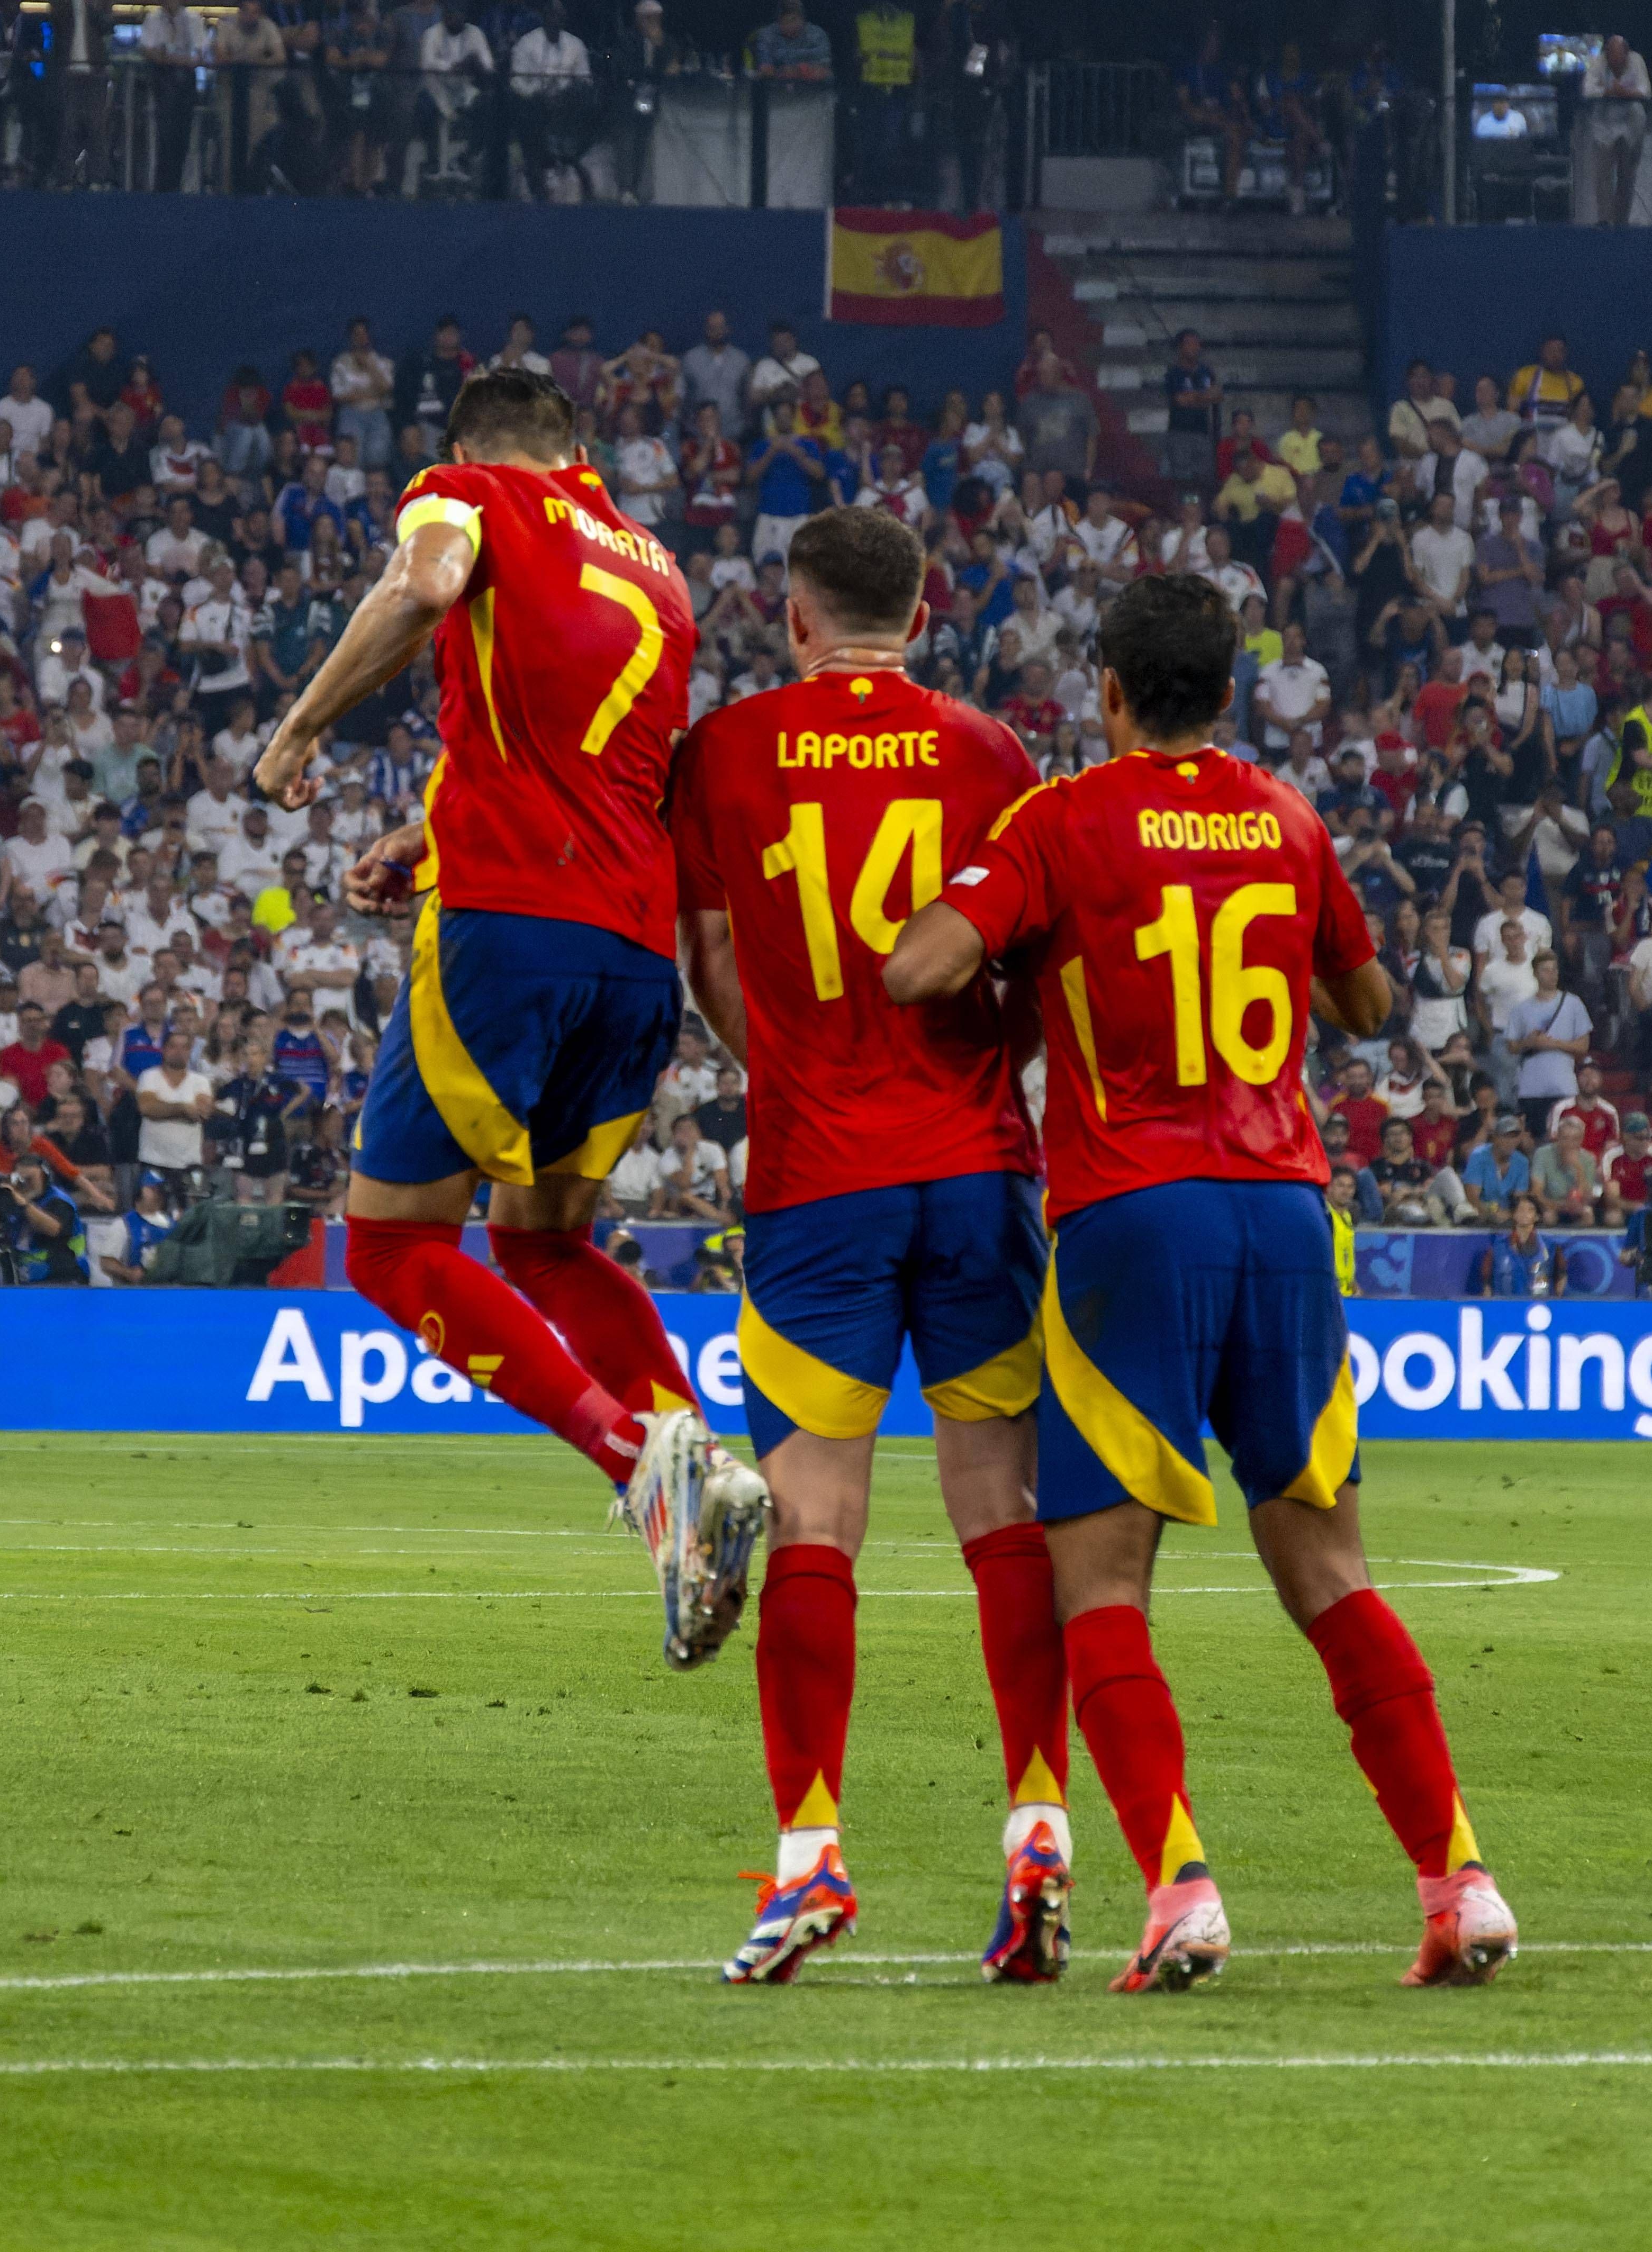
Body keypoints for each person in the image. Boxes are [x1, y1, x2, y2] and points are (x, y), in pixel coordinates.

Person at [889, 575, 1517, 1995]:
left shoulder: (1057, 820)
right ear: (1228, 693)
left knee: (1100, 1581)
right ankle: (1457, 1877)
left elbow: (919, 965)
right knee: (1328, 1570)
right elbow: (1363, 1003)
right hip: (1287, 1214)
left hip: (1132, 1215)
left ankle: (1176, 1883)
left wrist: (1015, 956)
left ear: (1106, 688)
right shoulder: (1286, 820)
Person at [252, 366, 763, 1620]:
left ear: (467, 447)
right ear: (577, 448)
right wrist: (428, 837)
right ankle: (698, 1455)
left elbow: (420, 586)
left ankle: (640, 1463)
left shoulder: (464, 492)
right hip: (632, 943)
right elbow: (588, 749)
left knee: (387, 1241)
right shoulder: (653, 562)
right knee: (543, 1238)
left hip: (514, 928)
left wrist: (300, 725)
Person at [669, 506, 1070, 1985]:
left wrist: (776, 1063)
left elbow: (704, 950)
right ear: (931, 603)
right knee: (1001, 1513)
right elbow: (1025, 955)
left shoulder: (722, 749)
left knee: (812, 1516)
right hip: (974, 1170)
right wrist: (991, 1080)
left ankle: (810, 1857)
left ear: (789, 615)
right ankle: (1038, 1834)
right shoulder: (989, 755)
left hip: (815, 1173)